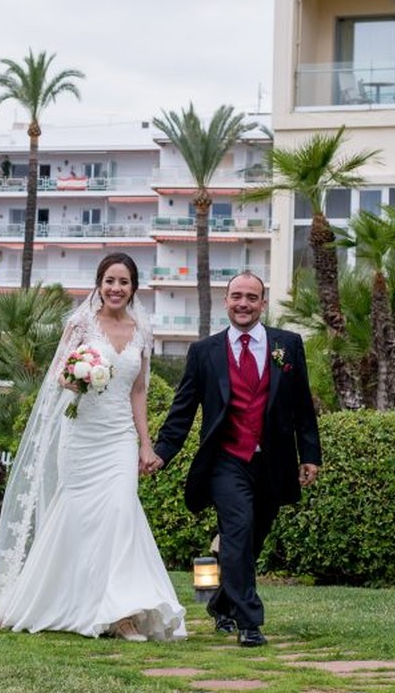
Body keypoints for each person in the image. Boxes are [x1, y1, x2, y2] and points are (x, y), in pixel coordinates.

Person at [0, 253, 186, 641]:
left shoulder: (142, 332)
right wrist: (78, 377)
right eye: (110, 281)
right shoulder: (80, 323)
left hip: (118, 436)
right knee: (80, 519)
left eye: (124, 282)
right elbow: (58, 377)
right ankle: (76, 602)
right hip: (81, 435)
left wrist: (146, 445)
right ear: (99, 285)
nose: (116, 288)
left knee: (120, 512)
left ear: (134, 288)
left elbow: (138, 392)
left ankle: (122, 614)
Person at [150, 272, 321, 648]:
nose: (243, 303)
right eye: (236, 296)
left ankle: (223, 604)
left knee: (253, 541)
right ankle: (250, 623)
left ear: (263, 303)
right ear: (226, 301)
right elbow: (183, 410)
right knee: (237, 532)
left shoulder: (287, 345)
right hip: (226, 461)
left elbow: (301, 407)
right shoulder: (204, 352)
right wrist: (160, 452)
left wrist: (309, 454)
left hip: (272, 461)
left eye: (252, 297)